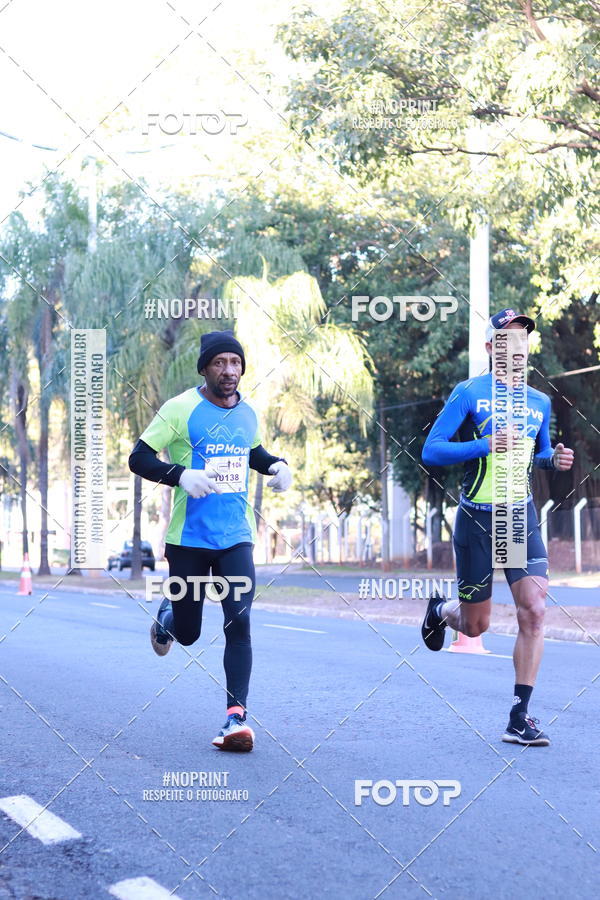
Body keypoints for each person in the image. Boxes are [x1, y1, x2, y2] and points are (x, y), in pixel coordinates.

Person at [128, 330, 292, 752]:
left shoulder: (248, 413)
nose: (229, 371)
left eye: (235, 363)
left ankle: (235, 719)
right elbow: (139, 456)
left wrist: (276, 465)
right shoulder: (180, 409)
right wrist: (180, 474)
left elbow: (252, 453)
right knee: (188, 634)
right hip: (189, 540)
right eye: (219, 363)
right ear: (204, 368)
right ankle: (168, 618)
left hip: (236, 538)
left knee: (240, 622)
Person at [420, 309, 574, 746]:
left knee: (535, 609)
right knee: (475, 627)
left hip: (517, 517)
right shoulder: (469, 393)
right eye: (508, 339)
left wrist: (555, 459)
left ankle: (519, 715)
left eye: (524, 338)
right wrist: (482, 444)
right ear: (491, 348)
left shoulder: (539, 402)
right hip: (477, 518)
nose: (518, 346)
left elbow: (536, 454)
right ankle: (440, 611)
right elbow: (432, 451)